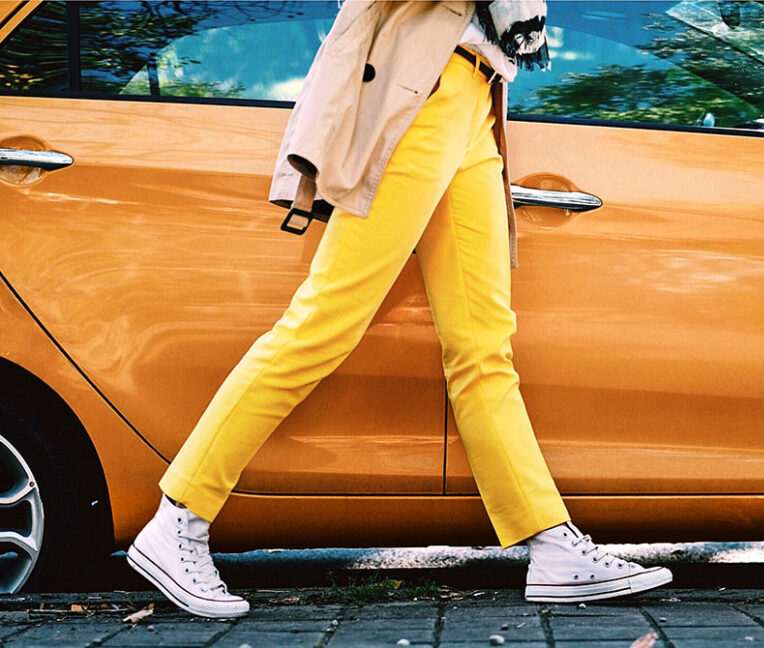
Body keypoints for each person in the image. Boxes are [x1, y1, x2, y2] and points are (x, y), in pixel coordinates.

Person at [126, 0, 672, 619]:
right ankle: (179, 521)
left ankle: (550, 545)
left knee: (483, 345)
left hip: (477, 97)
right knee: (323, 323)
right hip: (423, 91)